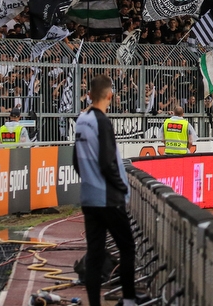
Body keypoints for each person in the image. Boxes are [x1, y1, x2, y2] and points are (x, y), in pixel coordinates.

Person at [73, 75, 137, 306]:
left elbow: (76, 162)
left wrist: (89, 180)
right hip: (108, 198)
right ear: (110, 95)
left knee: (95, 254)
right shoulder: (102, 121)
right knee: (128, 247)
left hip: (89, 197)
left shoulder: (81, 120)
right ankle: (129, 299)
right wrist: (122, 187)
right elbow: (108, 162)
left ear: (89, 94)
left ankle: (94, 303)